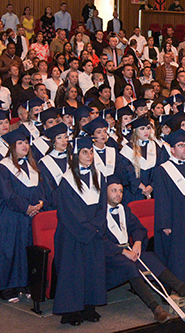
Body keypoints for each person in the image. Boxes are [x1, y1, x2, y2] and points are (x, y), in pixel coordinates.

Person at [103, 180, 185, 324]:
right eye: (114, 190)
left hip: (128, 251)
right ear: (105, 192)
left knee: (149, 257)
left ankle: (181, 287)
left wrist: (137, 243)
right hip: (110, 256)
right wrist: (124, 252)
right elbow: (100, 241)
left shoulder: (124, 210)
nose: (118, 194)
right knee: (130, 266)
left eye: (120, 191)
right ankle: (155, 309)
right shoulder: (98, 214)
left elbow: (138, 229)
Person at [52, 136, 106, 326]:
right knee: (73, 272)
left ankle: (89, 308)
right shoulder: (67, 181)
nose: (89, 155)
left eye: (91, 152)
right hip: (72, 235)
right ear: (75, 156)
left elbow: (102, 206)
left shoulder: (99, 176)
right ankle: (72, 312)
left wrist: (97, 226)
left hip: (92, 232)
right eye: (84, 152)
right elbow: (69, 212)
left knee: (92, 270)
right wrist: (88, 229)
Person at [0, 125, 44, 302]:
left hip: (28, 215)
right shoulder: (2, 168)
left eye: (26, 142)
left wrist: (40, 203)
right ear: (12, 146)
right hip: (9, 215)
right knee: (9, 250)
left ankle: (24, 283)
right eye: (20, 143)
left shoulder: (32, 165)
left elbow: (40, 187)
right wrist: (26, 207)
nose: (25, 146)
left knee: (26, 249)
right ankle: (7, 288)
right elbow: (8, 195)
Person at [152, 129, 185, 283]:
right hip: (174, 219)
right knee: (176, 253)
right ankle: (175, 285)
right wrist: (165, 223)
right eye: (181, 145)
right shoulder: (163, 170)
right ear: (172, 149)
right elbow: (161, 200)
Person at [120, 117, 162, 204]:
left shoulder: (155, 146)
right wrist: (142, 187)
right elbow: (127, 173)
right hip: (133, 193)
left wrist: (151, 186)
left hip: (153, 191)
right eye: (142, 128)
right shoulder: (127, 149)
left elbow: (159, 168)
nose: (146, 131)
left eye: (148, 128)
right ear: (135, 130)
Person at [37, 123, 69, 210]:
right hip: (57, 207)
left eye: (65, 137)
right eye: (59, 138)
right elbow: (48, 192)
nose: (64, 140)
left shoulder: (72, 158)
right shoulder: (44, 163)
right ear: (53, 142)